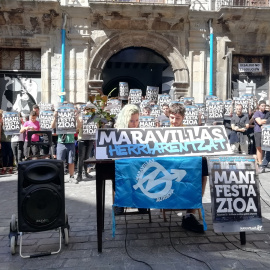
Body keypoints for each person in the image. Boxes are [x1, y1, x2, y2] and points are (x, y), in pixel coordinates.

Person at [168, 103, 207, 233]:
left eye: (177, 118)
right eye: (172, 117)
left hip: (186, 166)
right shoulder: (163, 132)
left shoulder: (190, 132)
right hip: (169, 167)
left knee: (203, 170)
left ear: (183, 118)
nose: (174, 121)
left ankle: (190, 213)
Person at [114, 104, 147, 215]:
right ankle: (120, 203)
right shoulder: (116, 132)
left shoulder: (143, 132)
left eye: (137, 120)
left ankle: (141, 203)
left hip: (138, 166)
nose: (135, 123)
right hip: (122, 166)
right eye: (131, 121)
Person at [51, 109, 77, 183]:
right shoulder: (59, 119)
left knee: (71, 161)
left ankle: (71, 176)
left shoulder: (72, 119)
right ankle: (59, 177)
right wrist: (55, 117)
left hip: (70, 142)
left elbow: (78, 127)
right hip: (61, 143)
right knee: (60, 162)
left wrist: (77, 117)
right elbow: (52, 126)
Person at [76, 104, 95, 182]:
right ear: (84, 110)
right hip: (82, 139)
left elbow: (97, 126)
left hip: (90, 139)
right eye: (86, 109)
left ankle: (86, 173)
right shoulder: (81, 118)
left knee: (87, 157)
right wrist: (80, 121)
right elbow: (77, 128)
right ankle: (79, 175)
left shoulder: (93, 118)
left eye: (89, 110)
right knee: (81, 158)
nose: (88, 111)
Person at [253, 100, 267, 173]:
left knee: (264, 148)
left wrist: (264, 120)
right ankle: (260, 163)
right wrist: (266, 121)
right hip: (258, 131)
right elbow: (259, 122)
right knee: (259, 148)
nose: (264, 107)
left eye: (264, 106)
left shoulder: (266, 113)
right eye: (262, 106)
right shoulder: (257, 113)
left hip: (265, 132)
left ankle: (261, 161)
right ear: (259, 106)